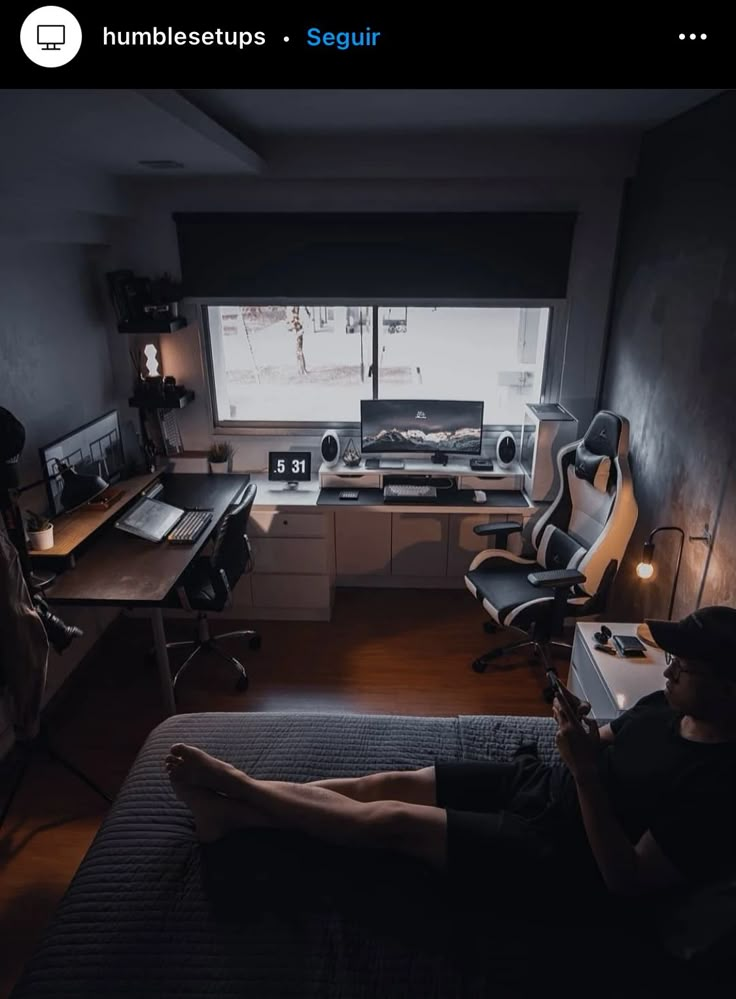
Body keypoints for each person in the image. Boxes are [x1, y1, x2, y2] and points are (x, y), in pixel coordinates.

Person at [165, 606, 736, 900]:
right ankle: (232, 814)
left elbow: (627, 880)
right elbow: (602, 746)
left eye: (686, 666)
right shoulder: (663, 705)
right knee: (384, 783)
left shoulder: (714, 789)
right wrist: (577, 736)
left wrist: (585, 774)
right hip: (545, 789)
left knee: (392, 820)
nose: (668, 669)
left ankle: (240, 792)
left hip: (564, 857)